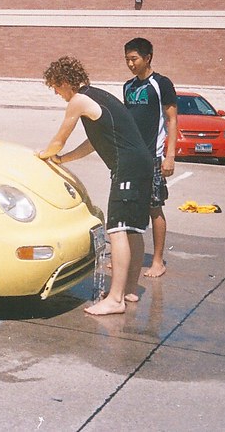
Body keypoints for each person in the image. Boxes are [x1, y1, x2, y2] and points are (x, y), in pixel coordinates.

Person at [36, 56, 153, 315]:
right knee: (132, 230)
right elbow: (93, 143)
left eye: (56, 87)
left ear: (65, 82)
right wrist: (64, 160)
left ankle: (115, 300)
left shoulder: (78, 101)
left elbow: (59, 140)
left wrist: (42, 156)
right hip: (141, 164)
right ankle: (129, 290)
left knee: (117, 229)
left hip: (127, 167)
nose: (57, 93)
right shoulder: (98, 96)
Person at [123, 38, 178, 278]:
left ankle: (157, 260)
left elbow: (172, 120)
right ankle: (126, 257)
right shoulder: (128, 87)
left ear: (148, 58)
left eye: (134, 59)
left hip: (153, 158)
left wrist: (170, 156)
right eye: (127, 59)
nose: (130, 64)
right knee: (127, 208)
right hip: (130, 159)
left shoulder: (161, 84)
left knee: (154, 208)